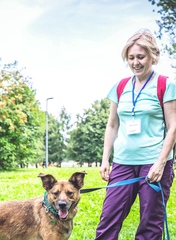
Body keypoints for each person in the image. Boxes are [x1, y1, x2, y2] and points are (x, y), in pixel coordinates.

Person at [95, 29, 176, 240]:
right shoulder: (120, 87)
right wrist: (105, 159)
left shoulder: (165, 85)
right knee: (108, 221)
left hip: (154, 164)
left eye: (141, 57)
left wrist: (160, 164)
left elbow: (173, 127)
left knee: (150, 226)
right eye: (131, 58)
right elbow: (112, 125)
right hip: (123, 163)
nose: (135, 63)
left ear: (153, 56)